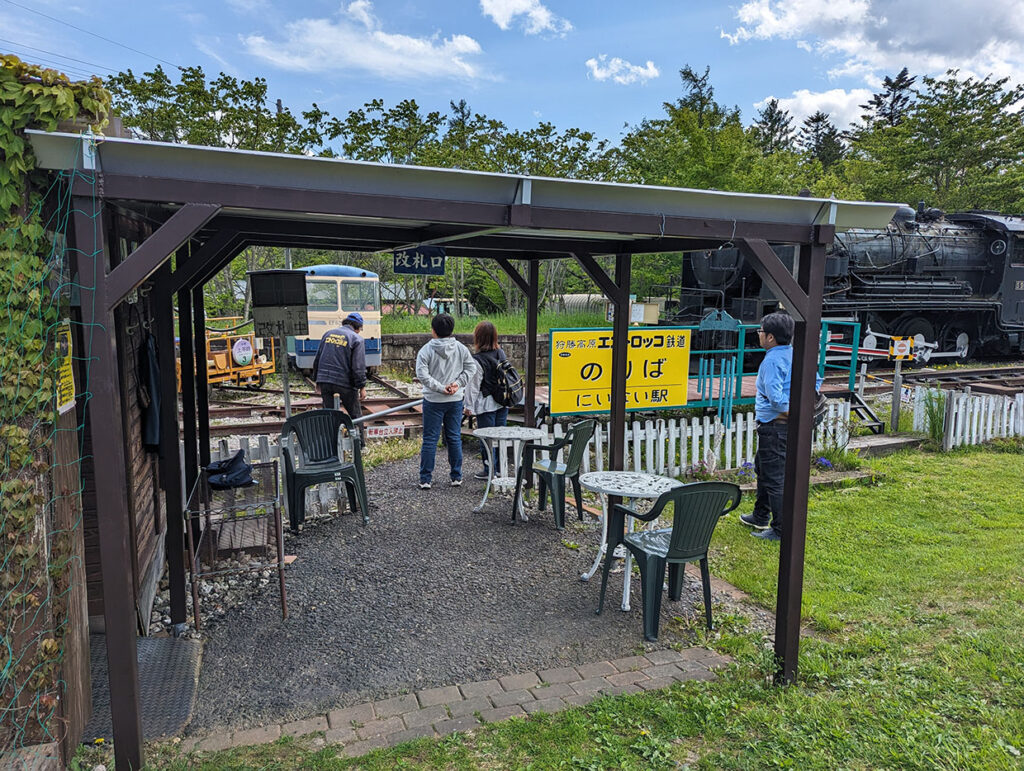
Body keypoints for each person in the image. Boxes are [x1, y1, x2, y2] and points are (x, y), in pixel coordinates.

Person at [741, 311, 821, 542]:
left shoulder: (772, 361)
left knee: (775, 477)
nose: (758, 334)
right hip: (781, 427)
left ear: (770, 338)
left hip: (775, 426)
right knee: (763, 469)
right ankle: (760, 515)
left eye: (761, 331)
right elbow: (815, 381)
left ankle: (780, 529)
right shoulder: (797, 354)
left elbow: (775, 398)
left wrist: (792, 412)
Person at [415, 313, 477, 489]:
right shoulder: (461, 348)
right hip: (455, 399)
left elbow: (422, 375)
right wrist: (457, 385)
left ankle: (426, 479)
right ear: (451, 330)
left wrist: (440, 388)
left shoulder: (426, 350)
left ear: (433, 330)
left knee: (430, 439)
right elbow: (471, 368)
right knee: (454, 437)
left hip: (433, 400)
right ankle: (456, 476)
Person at [463, 320, 509, 480]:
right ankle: (500, 469)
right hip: (503, 402)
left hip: (486, 404)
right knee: (500, 437)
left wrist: (468, 406)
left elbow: (473, 386)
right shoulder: (500, 353)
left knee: (486, 439)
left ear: (478, 338)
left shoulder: (477, 360)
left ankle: (489, 469)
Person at [312, 312, 366, 418]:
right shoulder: (356, 339)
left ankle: (332, 434)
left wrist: (317, 380)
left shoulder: (328, 334)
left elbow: (317, 359)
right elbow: (358, 368)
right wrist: (361, 387)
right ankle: (359, 434)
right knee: (356, 416)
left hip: (325, 381)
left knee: (330, 416)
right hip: (344, 383)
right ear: (358, 327)